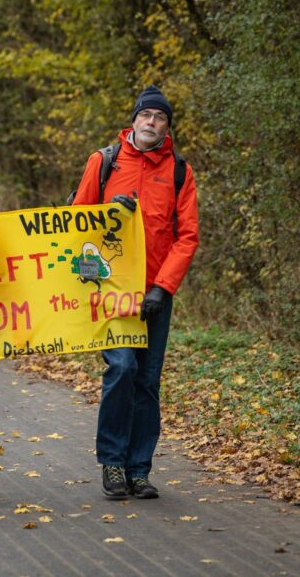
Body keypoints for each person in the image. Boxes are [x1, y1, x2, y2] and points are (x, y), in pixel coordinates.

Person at [70, 85, 199, 501]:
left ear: (167, 126)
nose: (152, 122)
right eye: (146, 115)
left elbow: (187, 236)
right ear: (134, 119)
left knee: (146, 382)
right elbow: (76, 225)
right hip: (111, 293)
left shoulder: (180, 170)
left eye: (160, 118)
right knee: (121, 369)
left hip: (156, 295)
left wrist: (163, 287)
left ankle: (138, 470)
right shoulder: (104, 162)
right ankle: (111, 462)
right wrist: (109, 218)